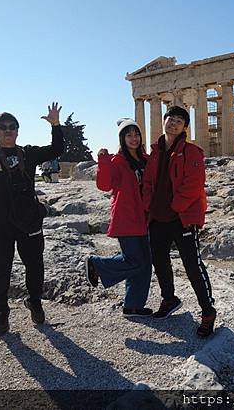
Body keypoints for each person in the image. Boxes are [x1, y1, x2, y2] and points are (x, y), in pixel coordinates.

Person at [0, 92, 64, 335]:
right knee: (0, 267)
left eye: (12, 127)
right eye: (3, 127)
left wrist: (56, 125)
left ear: (17, 131)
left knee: (35, 265)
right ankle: (1, 312)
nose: (8, 130)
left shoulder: (28, 154)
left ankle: (36, 303)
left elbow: (57, 148)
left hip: (28, 220)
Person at [142, 106, 216, 337]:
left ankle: (207, 311)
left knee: (192, 265)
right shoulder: (154, 152)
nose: (173, 123)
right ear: (163, 121)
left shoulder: (193, 152)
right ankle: (169, 299)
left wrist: (175, 207)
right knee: (160, 261)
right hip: (157, 217)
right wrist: (149, 205)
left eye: (179, 121)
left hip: (181, 217)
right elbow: (147, 182)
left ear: (185, 127)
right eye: (170, 119)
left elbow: (194, 184)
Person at [84, 118, 153, 318]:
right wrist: (103, 162)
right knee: (134, 260)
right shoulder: (117, 161)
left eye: (136, 134)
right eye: (129, 135)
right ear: (122, 139)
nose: (134, 138)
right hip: (126, 217)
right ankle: (96, 263)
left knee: (145, 263)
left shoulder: (146, 160)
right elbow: (104, 185)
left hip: (145, 218)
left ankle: (133, 306)